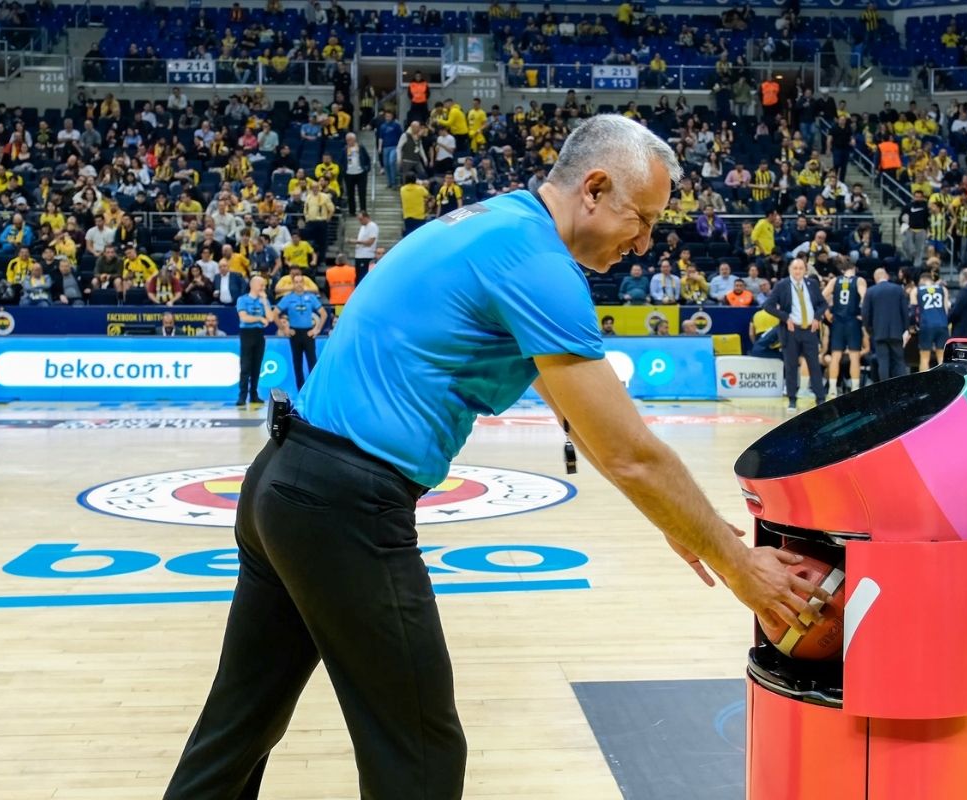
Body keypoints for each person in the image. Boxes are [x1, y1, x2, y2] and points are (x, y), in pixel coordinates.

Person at [163, 115, 826, 800]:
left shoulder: (498, 225)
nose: (645, 242)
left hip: (283, 481)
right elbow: (629, 454)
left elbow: (580, 409)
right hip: (341, 506)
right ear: (595, 188)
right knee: (418, 752)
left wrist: (680, 522)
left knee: (236, 732)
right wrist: (739, 562)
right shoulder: (534, 260)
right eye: (644, 219)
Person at [763, 257, 827, 411]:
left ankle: (820, 398)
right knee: (791, 366)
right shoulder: (782, 285)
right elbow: (768, 306)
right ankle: (792, 399)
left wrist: (817, 317)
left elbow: (823, 304)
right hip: (791, 331)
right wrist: (785, 318)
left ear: (805, 270)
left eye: (800, 268)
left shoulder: (812, 284)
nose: (798, 271)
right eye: (795, 268)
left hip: (810, 331)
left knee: (814, 365)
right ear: (790, 270)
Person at [275, 273, 326, 389]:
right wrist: (285, 329)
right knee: (297, 364)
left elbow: (324, 314)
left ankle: (313, 390)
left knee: (312, 363)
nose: (298, 284)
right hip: (295, 334)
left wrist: (316, 329)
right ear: (293, 284)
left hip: (308, 334)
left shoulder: (311, 297)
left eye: (300, 282)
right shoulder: (288, 298)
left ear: (304, 283)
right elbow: (275, 314)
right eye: (296, 282)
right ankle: (300, 391)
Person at [823, 262, 865, 395]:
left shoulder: (835, 280)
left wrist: (827, 313)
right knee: (854, 356)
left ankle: (832, 389)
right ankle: (855, 388)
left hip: (838, 322)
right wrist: (863, 314)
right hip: (852, 321)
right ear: (853, 269)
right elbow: (865, 296)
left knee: (835, 356)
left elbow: (821, 297)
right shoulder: (859, 280)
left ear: (843, 271)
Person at [861, 267, 910, 382]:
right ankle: (902, 386)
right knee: (899, 361)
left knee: (883, 361)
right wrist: (905, 329)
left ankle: (885, 390)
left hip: (879, 332)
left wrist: (870, 330)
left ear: (875, 278)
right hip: (896, 331)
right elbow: (905, 311)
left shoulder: (871, 291)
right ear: (886, 276)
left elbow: (865, 314)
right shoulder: (898, 289)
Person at [237, 275, 274, 406]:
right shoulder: (242, 299)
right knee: (245, 366)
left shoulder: (264, 300)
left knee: (256, 367)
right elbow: (244, 317)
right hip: (247, 334)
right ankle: (242, 396)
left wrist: (264, 302)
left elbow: (270, 318)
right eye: (262, 285)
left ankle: (254, 395)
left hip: (259, 334)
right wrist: (259, 318)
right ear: (253, 285)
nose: (263, 288)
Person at [913, 273, 949, 372]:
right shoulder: (943, 289)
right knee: (942, 357)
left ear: (922, 280)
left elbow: (914, 312)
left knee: (924, 357)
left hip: (926, 325)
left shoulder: (916, 290)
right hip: (942, 324)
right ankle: (944, 383)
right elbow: (946, 310)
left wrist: (914, 327)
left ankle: (924, 384)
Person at [948, 267, 967, 338]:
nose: (959, 280)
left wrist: (946, 320)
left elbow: (956, 311)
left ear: (964, 277)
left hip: (962, 330)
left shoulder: (965, 290)